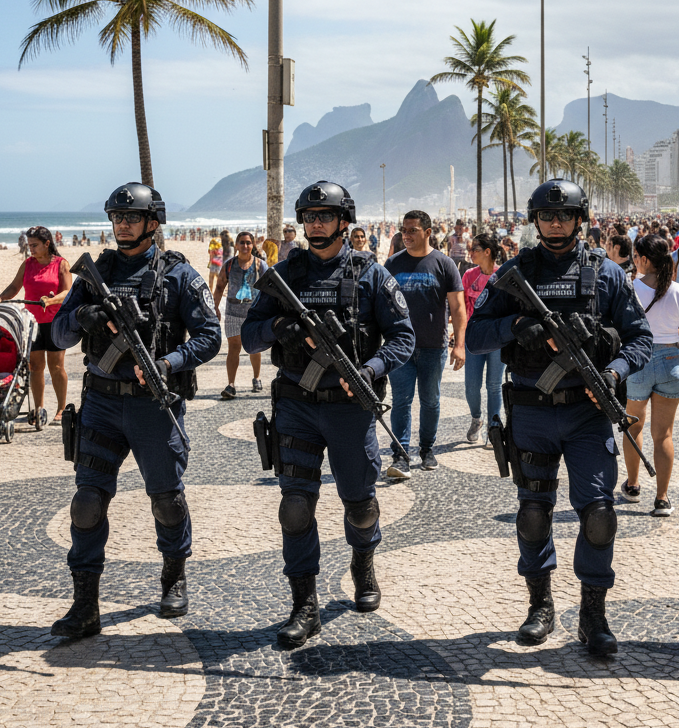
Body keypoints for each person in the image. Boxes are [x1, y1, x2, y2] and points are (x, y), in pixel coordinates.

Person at [466, 179, 653, 656]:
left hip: (588, 413)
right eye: (547, 216)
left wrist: (613, 373)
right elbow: (475, 337)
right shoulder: (514, 273)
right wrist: (517, 325)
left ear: (579, 219)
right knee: (532, 513)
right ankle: (540, 605)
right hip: (531, 410)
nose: (554, 223)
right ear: (535, 220)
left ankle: (593, 614)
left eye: (564, 216)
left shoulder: (607, 274)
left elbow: (641, 340)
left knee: (599, 515)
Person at [240, 180, 415, 648]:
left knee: (359, 505)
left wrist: (369, 367)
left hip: (349, 408)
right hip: (296, 403)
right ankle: (304, 604)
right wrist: (282, 327)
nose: (316, 223)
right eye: (309, 215)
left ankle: (363, 562)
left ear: (344, 221)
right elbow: (250, 335)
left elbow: (403, 337)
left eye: (325, 215)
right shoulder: (284, 274)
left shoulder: (371, 275)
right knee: (296, 508)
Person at [49, 183, 221, 638]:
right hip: (102, 402)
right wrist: (80, 317)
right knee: (87, 503)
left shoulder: (178, 276)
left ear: (153, 222)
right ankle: (85, 605)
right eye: (116, 217)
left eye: (131, 217)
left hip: (151, 407)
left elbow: (210, 336)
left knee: (167, 499)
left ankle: (174, 576)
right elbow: (60, 336)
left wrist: (168, 363)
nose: (122, 224)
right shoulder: (93, 274)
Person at [384, 210, 466, 476]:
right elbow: (380, 305)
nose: (406, 235)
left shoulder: (444, 264)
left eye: (412, 230)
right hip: (400, 347)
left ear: (428, 232)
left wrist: (459, 344)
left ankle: (427, 449)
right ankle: (400, 454)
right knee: (401, 401)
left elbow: (458, 307)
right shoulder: (392, 264)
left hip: (434, 346)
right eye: (403, 230)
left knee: (430, 401)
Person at [622, 235, 679, 517]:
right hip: (671, 362)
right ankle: (662, 498)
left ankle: (632, 484)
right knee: (664, 434)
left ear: (644, 259)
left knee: (633, 426)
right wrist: (665, 334)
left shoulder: (630, 289)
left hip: (638, 360)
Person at [0, 225, 72, 426]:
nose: (31, 249)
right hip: (32, 323)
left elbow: (67, 293)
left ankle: (61, 408)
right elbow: (14, 287)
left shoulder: (61, 264)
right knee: (35, 367)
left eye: (35, 245)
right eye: (29, 245)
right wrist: (1, 297)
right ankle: (38, 408)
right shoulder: (28, 264)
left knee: (56, 366)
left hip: (54, 323)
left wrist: (51, 301)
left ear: (47, 244)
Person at [213, 231, 268, 398]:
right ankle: (231, 385)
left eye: (248, 243)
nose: (245, 246)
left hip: (254, 313)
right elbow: (219, 288)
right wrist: (215, 309)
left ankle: (256, 378)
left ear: (253, 245)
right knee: (234, 348)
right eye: (242, 243)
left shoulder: (260, 264)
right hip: (233, 312)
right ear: (236, 245)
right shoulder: (229, 265)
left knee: (254, 347)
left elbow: (270, 288)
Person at [463, 232, 504, 444]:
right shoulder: (469, 275)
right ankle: (477, 418)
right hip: (473, 338)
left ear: (487, 252)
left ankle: (493, 429)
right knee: (471, 385)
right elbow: (461, 307)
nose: (471, 253)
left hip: (497, 339)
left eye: (475, 250)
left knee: (494, 385)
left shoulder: (503, 275)